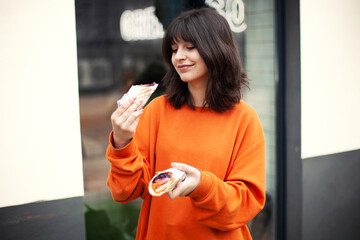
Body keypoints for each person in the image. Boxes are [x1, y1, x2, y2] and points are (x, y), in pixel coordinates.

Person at [106, 7, 265, 240]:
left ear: (217, 49)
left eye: (190, 47)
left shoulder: (244, 118)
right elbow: (124, 192)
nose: (179, 56)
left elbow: (245, 204)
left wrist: (202, 186)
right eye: (174, 49)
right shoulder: (157, 111)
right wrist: (121, 141)